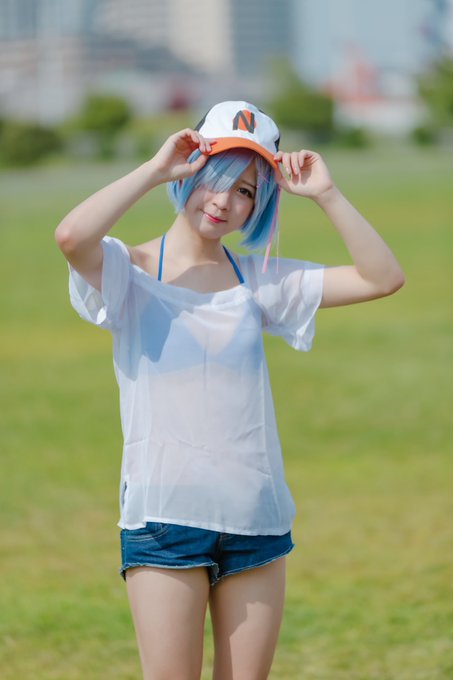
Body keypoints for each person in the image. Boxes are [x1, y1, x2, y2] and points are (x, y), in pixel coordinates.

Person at [55, 101, 404, 680]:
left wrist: (326, 194)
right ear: (189, 170)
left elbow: (382, 277)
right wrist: (154, 170)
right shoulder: (129, 272)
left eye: (245, 191)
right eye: (214, 177)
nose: (224, 201)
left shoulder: (257, 281)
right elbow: (71, 236)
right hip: (164, 521)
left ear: (258, 204)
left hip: (256, 523)